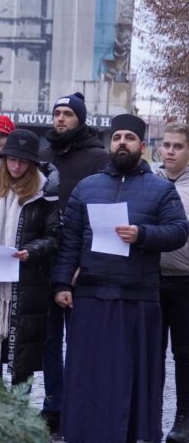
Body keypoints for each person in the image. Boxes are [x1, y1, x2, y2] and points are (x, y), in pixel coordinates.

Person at [52, 114, 189, 442]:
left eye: (129, 138)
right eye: (117, 138)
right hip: (91, 294)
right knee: (89, 374)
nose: (122, 143)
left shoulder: (159, 189)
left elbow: (178, 231)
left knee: (131, 375)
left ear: (142, 146)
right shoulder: (88, 187)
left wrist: (142, 234)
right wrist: (61, 284)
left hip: (137, 296)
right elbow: (69, 240)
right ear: (109, 144)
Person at [37, 91, 109, 433]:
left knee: (82, 341)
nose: (61, 119)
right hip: (46, 259)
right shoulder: (44, 154)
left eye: (67, 113)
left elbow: (103, 213)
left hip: (83, 263)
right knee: (50, 339)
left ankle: (82, 406)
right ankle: (54, 404)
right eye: (57, 113)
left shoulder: (98, 158)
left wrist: (86, 261)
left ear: (80, 118)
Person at [0, 129, 59, 384]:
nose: (17, 165)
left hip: (28, 282)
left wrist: (30, 251)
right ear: (5, 158)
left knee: (23, 354)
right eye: (12, 159)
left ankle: (19, 409)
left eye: (23, 160)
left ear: (31, 163)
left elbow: (54, 236)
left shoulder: (43, 193)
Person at [155, 122, 189, 443]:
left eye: (177, 146)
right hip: (152, 280)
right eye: (166, 145)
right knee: (152, 352)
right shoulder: (151, 183)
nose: (169, 151)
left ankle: (183, 418)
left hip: (186, 282)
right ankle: (148, 416)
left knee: (184, 354)